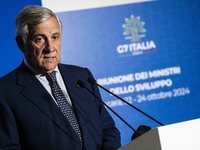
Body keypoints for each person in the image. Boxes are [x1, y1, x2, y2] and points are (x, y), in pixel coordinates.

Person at [0, 5, 121, 150]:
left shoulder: (81, 76)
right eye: (39, 39)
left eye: (55, 37)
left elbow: (108, 129)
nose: (50, 48)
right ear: (21, 44)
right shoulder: (5, 92)